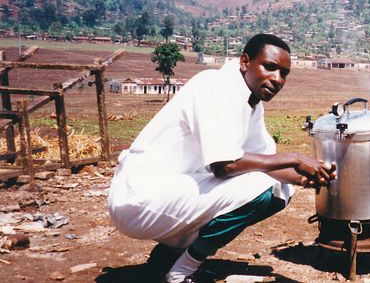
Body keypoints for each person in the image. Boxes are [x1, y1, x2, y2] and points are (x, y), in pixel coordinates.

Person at [108, 33, 335, 283]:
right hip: (140, 197)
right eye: (270, 67)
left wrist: (311, 178)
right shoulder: (215, 86)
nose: (277, 79)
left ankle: (166, 258)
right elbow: (224, 165)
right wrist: (294, 158)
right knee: (257, 189)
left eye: (284, 74)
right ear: (245, 62)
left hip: (174, 191)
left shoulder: (250, 102)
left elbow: (268, 162)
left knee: (280, 189)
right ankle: (181, 271)